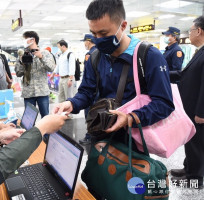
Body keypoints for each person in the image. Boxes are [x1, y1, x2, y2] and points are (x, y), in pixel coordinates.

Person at [52, 0, 174, 198]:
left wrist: (131, 117)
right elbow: (87, 92)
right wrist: (71, 103)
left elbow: (164, 104)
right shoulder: (96, 57)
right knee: (99, 184)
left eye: (104, 34)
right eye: (94, 34)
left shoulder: (148, 56)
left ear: (123, 26)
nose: (98, 39)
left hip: (132, 140)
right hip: (100, 135)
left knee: (126, 190)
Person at [170, 16, 204, 189]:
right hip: (190, 106)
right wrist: (162, 74)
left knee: (197, 143)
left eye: (190, 30)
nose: (189, 34)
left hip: (198, 110)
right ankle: (188, 168)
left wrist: (201, 112)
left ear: (199, 31)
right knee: (191, 141)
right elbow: (186, 75)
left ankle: (195, 178)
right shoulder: (200, 52)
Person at [15, 31, 56, 118]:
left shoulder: (45, 53)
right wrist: (21, 62)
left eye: (26, 39)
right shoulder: (23, 55)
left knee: (45, 117)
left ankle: (46, 132)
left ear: (32, 40)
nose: (24, 41)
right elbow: (18, 73)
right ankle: (30, 132)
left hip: (42, 92)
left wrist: (41, 57)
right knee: (29, 118)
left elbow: (51, 68)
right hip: (28, 92)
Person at [79, 34, 97, 145]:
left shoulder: (89, 54)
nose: (84, 44)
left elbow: (88, 75)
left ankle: (89, 136)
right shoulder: (100, 52)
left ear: (88, 42)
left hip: (91, 90)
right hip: (99, 91)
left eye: (85, 42)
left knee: (89, 114)